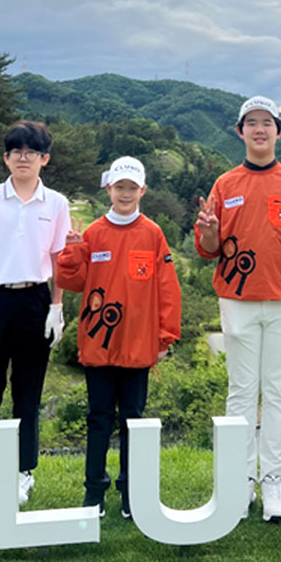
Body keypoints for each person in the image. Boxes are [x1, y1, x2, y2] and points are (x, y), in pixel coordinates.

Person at [194, 95, 281, 523]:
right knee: (241, 391)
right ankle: (240, 479)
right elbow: (208, 249)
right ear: (240, 132)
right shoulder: (225, 185)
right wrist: (210, 231)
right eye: (251, 122)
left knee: (279, 391)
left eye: (267, 122)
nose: (259, 129)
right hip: (237, 300)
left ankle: (274, 479)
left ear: (278, 131)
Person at [57, 156, 181, 518]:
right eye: (119, 187)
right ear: (108, 189)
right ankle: (94, 492)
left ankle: (130, 493)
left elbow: (168, 290)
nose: (125, 194)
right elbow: (72, 283)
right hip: (99, 345)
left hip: (138, 345)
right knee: (97, 419)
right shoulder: (93, 232)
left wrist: (164, 338)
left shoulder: (153, 234)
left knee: (133, 420)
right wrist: (72, 252)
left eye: (132, 188)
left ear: (143, 191)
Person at [0, 120, 70, 511]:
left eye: (32, 152)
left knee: (28, 392)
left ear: (44, 159)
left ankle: (23, 470)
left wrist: (57, 306)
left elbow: (59, 259)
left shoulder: (56, 203)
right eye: (16, 151)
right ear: (6, 158)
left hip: (35, 300)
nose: (24, 157)